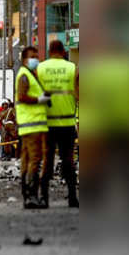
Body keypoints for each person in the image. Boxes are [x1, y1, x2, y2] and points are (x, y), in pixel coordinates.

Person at [38, 40, 79, 208]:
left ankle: (44, 198)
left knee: (47, 160)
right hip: (68, 122)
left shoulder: (40, 69)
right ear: (63, 52)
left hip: (47, 123)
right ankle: (72, 197)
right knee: (68, 160)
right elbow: (79, 94)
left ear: (49, 51)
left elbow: (37, 96)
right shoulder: (72, 68)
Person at [15, 46, 51, 209]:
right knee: (35, 159)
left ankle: (27, 195)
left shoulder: (29, 74)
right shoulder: (24, 75)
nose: (36, 59)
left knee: (27, 160)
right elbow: (22, 96)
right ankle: (31, 195)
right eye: (32, 57)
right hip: (32, 125)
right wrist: (39, 100)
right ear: (24, 59)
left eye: (37, 56)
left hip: (29, 125)